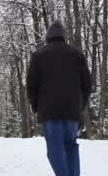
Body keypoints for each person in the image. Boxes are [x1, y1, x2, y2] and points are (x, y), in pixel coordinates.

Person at [27, 20, 92, 176]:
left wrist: (36, 106)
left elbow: (31, 85)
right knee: (70, 146)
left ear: (48, 36)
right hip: (71, 112)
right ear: (64, 36)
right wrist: (80, 106)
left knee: (54, 151)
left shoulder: (38, 55)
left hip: (49, 112)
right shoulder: (77, 55)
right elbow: (87, 85)